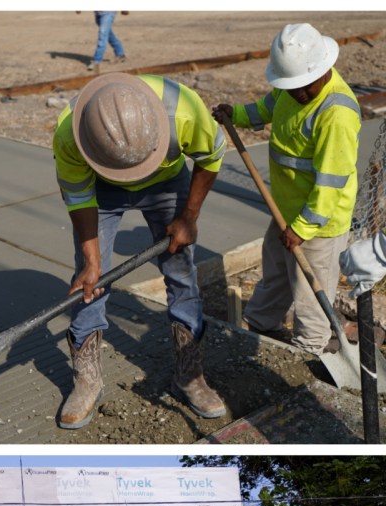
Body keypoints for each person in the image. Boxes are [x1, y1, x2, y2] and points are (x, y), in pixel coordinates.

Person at [54, 72, 228, 429]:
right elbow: (77, 195)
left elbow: (211, 157)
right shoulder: (70, 132)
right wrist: (92, 260)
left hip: (166, 181)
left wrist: (189, 217)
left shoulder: (184, 109)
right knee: (90, 280)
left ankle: (189, 375)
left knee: (181, 270)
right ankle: (87, 381)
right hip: (102, 190)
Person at [213, 23, 361, 355]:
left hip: (318, 222)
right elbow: (266, 109)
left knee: (310, 291)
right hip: (285, 209)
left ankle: (309, 351)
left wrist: (304, 228)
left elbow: (330, 184)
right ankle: (261, 323)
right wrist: (234, 114)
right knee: (277, 271)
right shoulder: (291, 87)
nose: (298, 93)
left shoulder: (335, 112)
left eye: (304, 87)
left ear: (323, 70)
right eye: (291, 87)